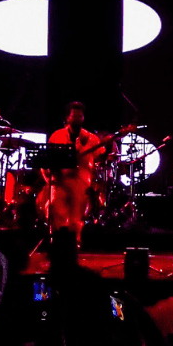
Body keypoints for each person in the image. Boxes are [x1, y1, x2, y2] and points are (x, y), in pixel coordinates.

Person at [41, 102, 106, 246]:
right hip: (60, 181)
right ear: (67, 118)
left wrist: (106, 146)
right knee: (52, 207)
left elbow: (101, 157)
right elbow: (47, 160)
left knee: (76, 217)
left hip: (81, 182)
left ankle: (74, 244)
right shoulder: (57, 136)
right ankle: (55, 240)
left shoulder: (91, 138)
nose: (77, 118)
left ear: (83, 118)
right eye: (74, 116)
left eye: (80, 116)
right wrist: (49, 176)